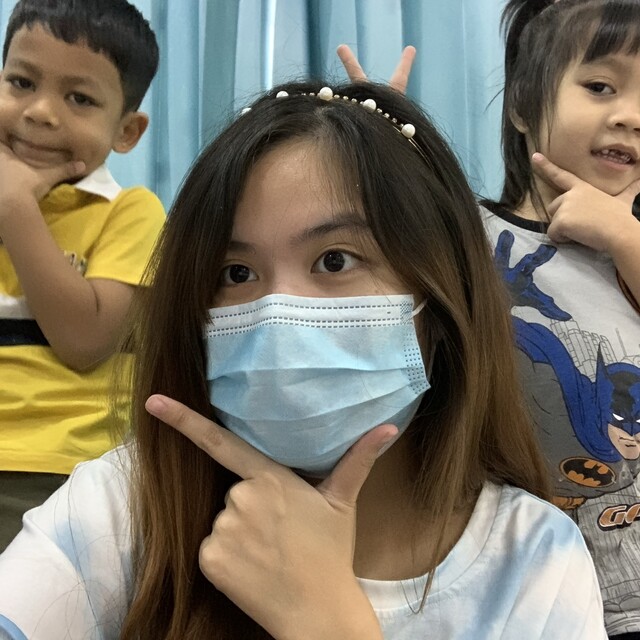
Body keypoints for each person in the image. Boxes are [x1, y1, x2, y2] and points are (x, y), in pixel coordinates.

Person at [0, 80, 606, 639]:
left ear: (444, 294)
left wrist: (330, 623)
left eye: (335, 260)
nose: (277, 314)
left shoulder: (533, 561)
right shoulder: (127, 508)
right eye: (236, 273)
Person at [478, 1, 640, 637]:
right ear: (522, 103)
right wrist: (380, 157)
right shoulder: (468, 235)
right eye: (600, 86)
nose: (631, 115)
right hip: (521, 592)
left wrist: (623, 236)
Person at [0, 0, 165, 550]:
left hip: (55, 472)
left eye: (80, 99)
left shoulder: (131, 212)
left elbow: (85, 342)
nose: (40, 112)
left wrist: (15, 208)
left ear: (127, 130)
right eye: (21, 82)